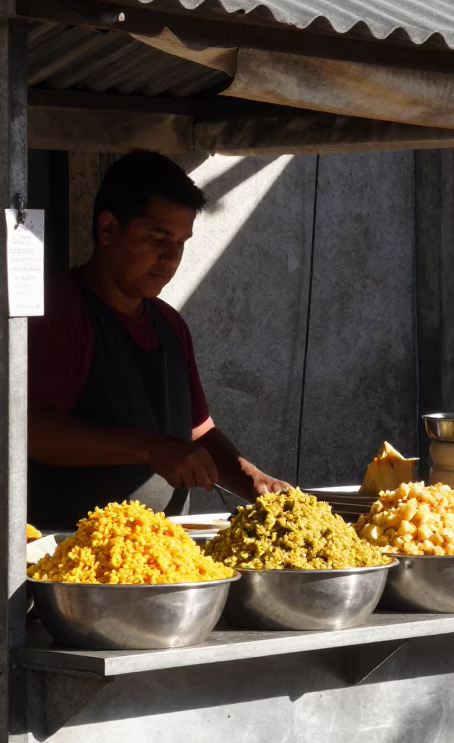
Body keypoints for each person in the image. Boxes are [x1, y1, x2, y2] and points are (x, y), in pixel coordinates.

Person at [27, 151, 289, 527]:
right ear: (108, 230)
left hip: (162, 551)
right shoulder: (58, 310)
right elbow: (32, 430)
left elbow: (198, 429)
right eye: (157, 238)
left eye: (181, 242)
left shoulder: (170, 325)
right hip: (71, 552)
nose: (171, 257)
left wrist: (253, 480)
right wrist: (151, 448)